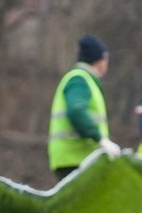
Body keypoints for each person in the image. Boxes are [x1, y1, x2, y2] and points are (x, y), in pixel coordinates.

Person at [48, 34, 121, 180]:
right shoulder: (79, 80)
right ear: (100, 61)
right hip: (75, 158)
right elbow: (76, 111)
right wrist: (101, 139)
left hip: (74, 158)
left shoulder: (82, 79)